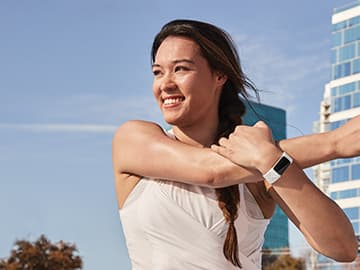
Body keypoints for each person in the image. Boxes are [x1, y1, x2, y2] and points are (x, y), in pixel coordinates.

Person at [112, 19, 360, 269]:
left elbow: (343, 248)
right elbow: (211, 170)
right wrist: (335, 142)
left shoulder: (264, 167)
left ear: (220, 75)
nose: (165, 84)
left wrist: (273, 162)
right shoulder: (133, 139)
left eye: (181, 69)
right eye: (158, 72)